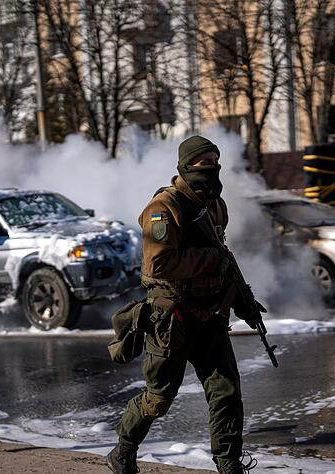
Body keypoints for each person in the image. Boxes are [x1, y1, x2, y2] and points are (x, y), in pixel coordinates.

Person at [108, 136, 260, 474]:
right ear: (186, 166)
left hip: (210, 315)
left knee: (226, 392)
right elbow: (157, 266)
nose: (212, 168)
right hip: (172, 317)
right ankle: (123, 450)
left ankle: (228, 462)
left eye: (216, 161)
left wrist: (243, 303)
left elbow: (224, 260)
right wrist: (209, 260)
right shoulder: (164, 208)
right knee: (159, 398)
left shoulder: (216, 205)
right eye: (204, 162)